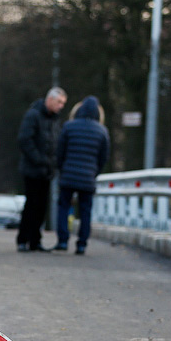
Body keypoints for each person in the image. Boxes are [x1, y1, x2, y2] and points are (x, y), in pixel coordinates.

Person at [54, 96, 109, 255]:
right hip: (88, 178)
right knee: (85, 211)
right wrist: (94, 173)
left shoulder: (69, 127)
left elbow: (60, 152)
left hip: (68, 176)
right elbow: (103, 157)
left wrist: (62, 170)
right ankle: (82, 244)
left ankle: (63, 241)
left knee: (63, 207)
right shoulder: (101, 131)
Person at [16, 87, 67, 252]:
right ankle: (23, 240)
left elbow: (54, 143)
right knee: (31, 205)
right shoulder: (33, 115)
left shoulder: (54, 120)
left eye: (63, 103)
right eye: (59, 102)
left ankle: (35, 241)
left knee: (41, 207)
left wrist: (52, 163)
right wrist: (39, 160)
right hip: (32, 169)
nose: (61, 106)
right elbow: (25, 140)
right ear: (50, 100)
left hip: (46, 171)